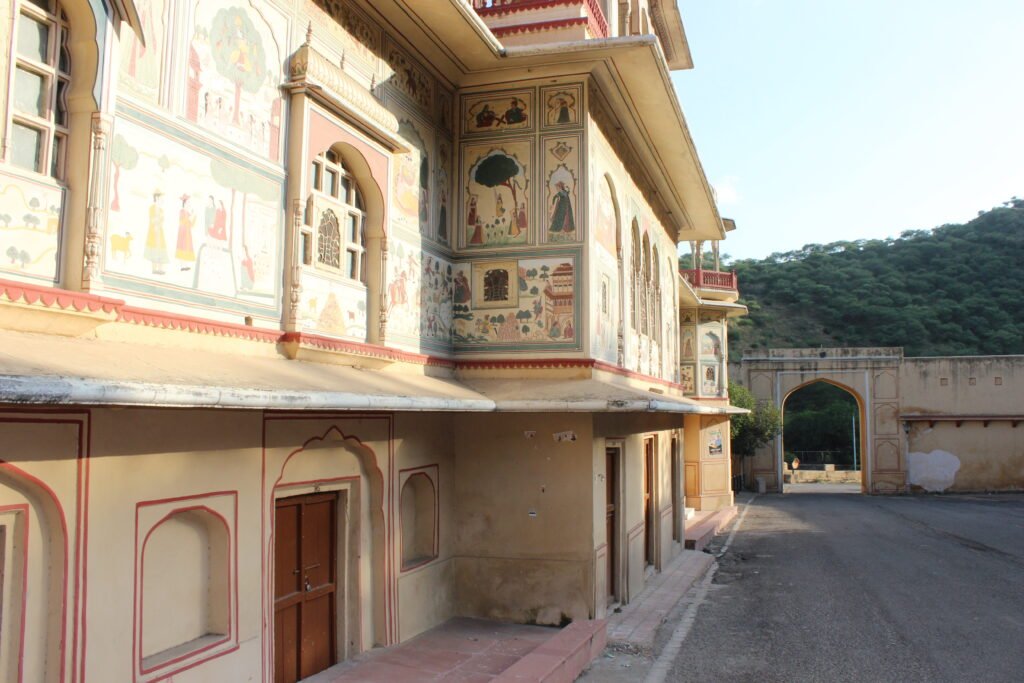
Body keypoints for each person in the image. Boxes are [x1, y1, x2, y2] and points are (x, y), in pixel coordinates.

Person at [145, 189, 169, 274]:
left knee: (161, 250)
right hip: (153, 233)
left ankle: (160, 269)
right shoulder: (152, 208)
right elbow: (152, 220)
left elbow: (162, 221)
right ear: (157, 198)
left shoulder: (161, 210)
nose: (162, 200)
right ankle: (154, 269)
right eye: (161, 198)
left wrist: (160, 219)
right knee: (154, 250)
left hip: (160, 232)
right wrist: (159, 218)